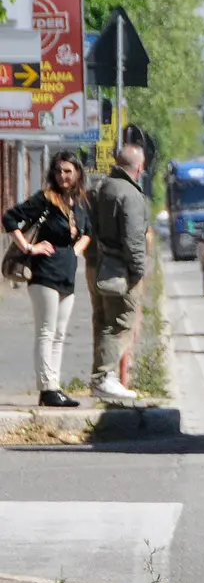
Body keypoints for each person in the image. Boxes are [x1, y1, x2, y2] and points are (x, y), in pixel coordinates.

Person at [2, 151, 92, 407]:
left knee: (60, 333)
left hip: (67, 273)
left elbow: (88, 232)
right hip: (44, 273)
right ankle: (47, 388)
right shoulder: (45, 199)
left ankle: (55, 385)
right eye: (59, 171)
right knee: (46, 331)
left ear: (77, 173)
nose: (63, 176)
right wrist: (29, 248)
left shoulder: (80, 201)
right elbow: (10, 218)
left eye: (68, 171)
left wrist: (75, 252)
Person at [89, 143, 150, 401]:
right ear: (140, 167)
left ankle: (102, 377)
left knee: (103, 320)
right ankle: (105, 377)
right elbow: (134, 239)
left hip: (100, 264)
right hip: (120, 269)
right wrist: (138, 272)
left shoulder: (103, 187)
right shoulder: (130, 194)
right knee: (120, 322)